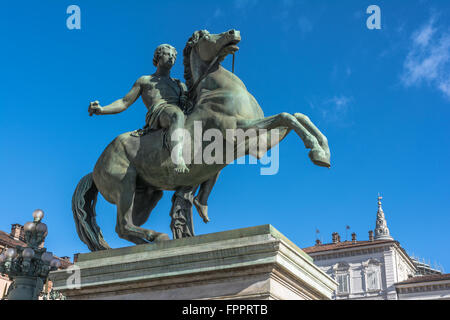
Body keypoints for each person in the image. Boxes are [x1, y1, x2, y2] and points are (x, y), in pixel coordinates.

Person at [88, 44, 190, 174]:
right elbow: (124, 102)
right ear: (158, 56)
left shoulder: (179, 84)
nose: (171, 57)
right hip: (159, 112)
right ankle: (177, 157)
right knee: (176, 114)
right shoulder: (145, 80)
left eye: (173, 56)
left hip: (179, 113)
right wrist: (102, 110)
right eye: (167, 54)